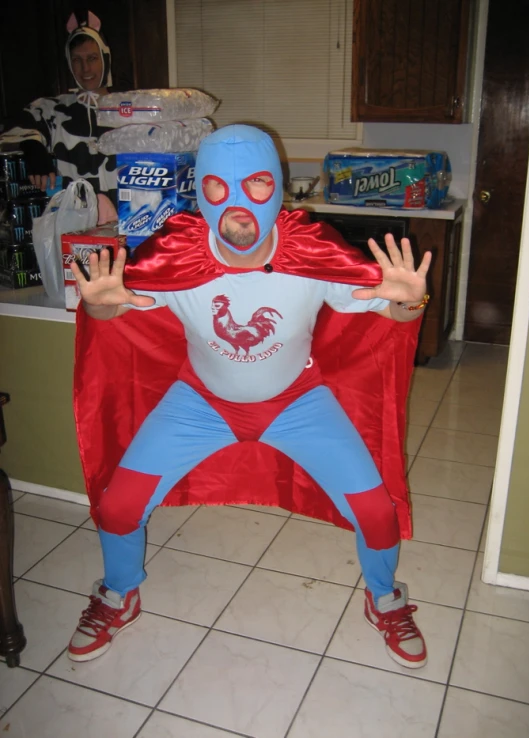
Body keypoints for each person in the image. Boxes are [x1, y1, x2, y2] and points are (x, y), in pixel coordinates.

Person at [68, 124, 431, 669]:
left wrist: (409, 303)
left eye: (257, 184)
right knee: (118, 506)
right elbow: (114, 311)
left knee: (376, 513)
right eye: (218, 189)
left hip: (298, 402)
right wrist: (95, 304)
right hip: (200, 403)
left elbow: (387, 315)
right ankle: (120, 590)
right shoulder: (177, 257)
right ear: (201, 193)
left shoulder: (311, 251)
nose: (237, 205)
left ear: (279, 187)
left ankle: (385, 596)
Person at [0, 10, 117, 224]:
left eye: (92, 58)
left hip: (123, 223)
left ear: (105, 58)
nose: (86, 68)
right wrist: (33, 147)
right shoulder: (54, 109)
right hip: (73, 227)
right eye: (77, 60)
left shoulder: (127, 110)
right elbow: (11, 130)